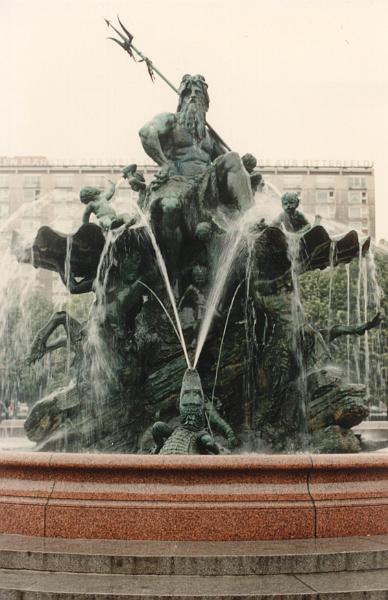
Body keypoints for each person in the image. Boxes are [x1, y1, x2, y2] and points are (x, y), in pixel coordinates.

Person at [138, 74, 253, 216]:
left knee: (234, 158)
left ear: (205, 103)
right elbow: (146, 132)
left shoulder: (209, 136)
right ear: (181, 100)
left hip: (205, 187)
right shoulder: (171, 121)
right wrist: (163, 163)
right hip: (177, 182)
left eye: (197, 93)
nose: (192, 96)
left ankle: (249, 219)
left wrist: (246, 169)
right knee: (170, 207)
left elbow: (231, 164)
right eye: (187, 93)